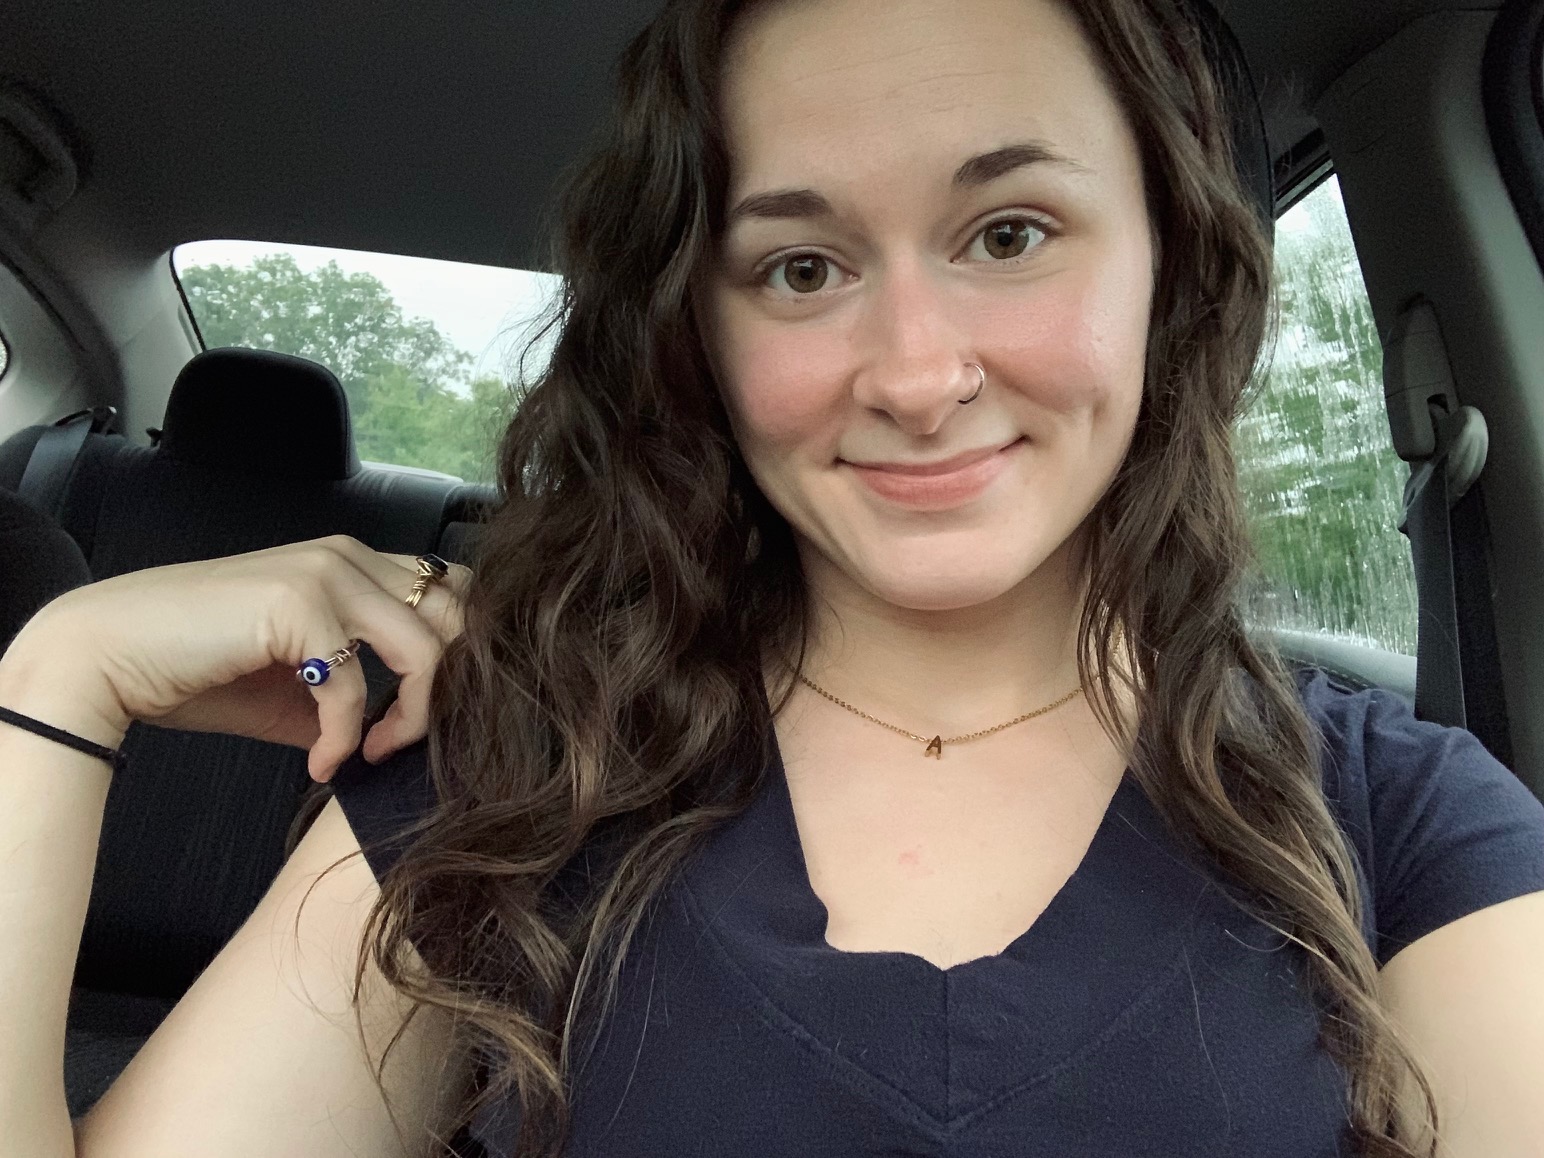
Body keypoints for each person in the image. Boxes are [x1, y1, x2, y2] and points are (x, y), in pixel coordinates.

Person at [2, 0, 1542, 1155]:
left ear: (1168, 266)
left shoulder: (1416, 828)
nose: (917, 373)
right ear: (704, 335)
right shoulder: (505, 772)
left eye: (1010, 233)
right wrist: (59, 674)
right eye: (803, 268)